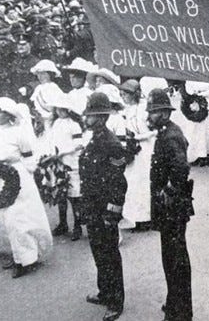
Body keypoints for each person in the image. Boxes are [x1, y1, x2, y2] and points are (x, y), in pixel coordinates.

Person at [0, 97, 52, 278]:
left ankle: (27, 259)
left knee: (19, 218)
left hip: (17, 176)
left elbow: (29, 157)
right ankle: (17, 255)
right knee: (6, 219)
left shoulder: (19, 133)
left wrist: (24, 173)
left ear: (8, 115)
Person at [145, 88, 194, 321]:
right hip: (168, 206)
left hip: (173, 206)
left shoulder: (171, 135)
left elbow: (181, 168)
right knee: (171, 258)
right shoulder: (165, 132)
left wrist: (170, 190)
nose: (149, 116)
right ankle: (174, 303)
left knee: (176, 260)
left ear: (164, 113)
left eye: (153, 112)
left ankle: (181, 312)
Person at [79, 92, 128, 321]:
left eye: (89, 116)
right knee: (98, 251)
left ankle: (116, 302)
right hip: (92, 205)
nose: (85, 119)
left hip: (104, 208)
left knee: (110, 254)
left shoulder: (111, 143)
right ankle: (105, 291)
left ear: (99, 118)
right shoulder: (94, 140)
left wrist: (112, 213)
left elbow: (119, 183)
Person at [44, 94, 85, 241]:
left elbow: (78, 144)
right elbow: (52, 141)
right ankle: (63, 224)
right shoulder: (55, 124)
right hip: (58, 164)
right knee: (61, 194)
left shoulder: (74, 124)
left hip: (71, 163)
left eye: (63, 109)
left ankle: (78, 226)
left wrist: (61, 153)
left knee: (74, 197)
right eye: (57, 109)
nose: (60, 112)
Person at [119, 79, 155, 230]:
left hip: (146, 149)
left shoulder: (144, 109)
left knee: (145, 182)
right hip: (133, 151)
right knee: (132, 183)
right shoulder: (126, 111)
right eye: (122, 94)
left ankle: (147, 218)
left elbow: (152, 131)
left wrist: (137, 138)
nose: (123, 97)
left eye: (126, 94)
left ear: (134, 94)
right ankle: (136, 218)